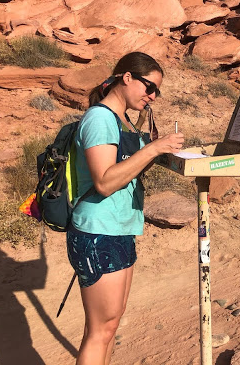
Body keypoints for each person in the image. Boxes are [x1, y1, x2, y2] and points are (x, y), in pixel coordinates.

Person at [66, 52, 184, 365]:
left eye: (157, 91)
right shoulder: (101, 118)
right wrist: (155, 149)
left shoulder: (117, 120)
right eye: (149, 87)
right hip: (98, 232)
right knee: (100, 331)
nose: (153, 96)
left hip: (116, 229)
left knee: (108, 326)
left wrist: (151, 148)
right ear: (126, 77)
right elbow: (104, 182)